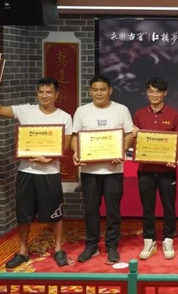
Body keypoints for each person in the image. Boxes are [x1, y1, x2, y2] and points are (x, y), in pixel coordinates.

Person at [0, 73, 72, 268]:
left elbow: (65, 146)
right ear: (37, 93)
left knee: (55, 214)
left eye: (49, 92)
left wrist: (48, 159)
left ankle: (59, 249)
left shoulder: (64, 117)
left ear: (56, 95)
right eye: (41, 92)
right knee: (24, 215)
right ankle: (23, 251)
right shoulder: (25, 110)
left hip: (50, 173)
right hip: (26, 172)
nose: (44, 95)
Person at [71, 75, 134, 264]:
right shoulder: (82, 111)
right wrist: (77, 152)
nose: (99, 93)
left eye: (103, 89)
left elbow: (130, 135)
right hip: (89, 171)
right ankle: (91, 245)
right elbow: (75, 137)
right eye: (95, 90)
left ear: (110, 90)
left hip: (113, 170)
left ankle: (112, 246)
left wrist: (121, 150)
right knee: (91, 210)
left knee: (113, 210)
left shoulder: (121, 110)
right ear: (90, 91)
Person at [132, 77, 178, 260]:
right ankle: (149, 240)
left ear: (165, 93)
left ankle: (168, 239)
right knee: (148, 207)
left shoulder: (174, 114)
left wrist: (174, 156)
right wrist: (134, 135)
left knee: (169, 206)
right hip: (145, 168)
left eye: (158, 91)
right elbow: (136, 141)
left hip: (167, 170)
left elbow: (177, 140)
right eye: (151, 91)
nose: (154, 95)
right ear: (146, 92)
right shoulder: (139, 114)